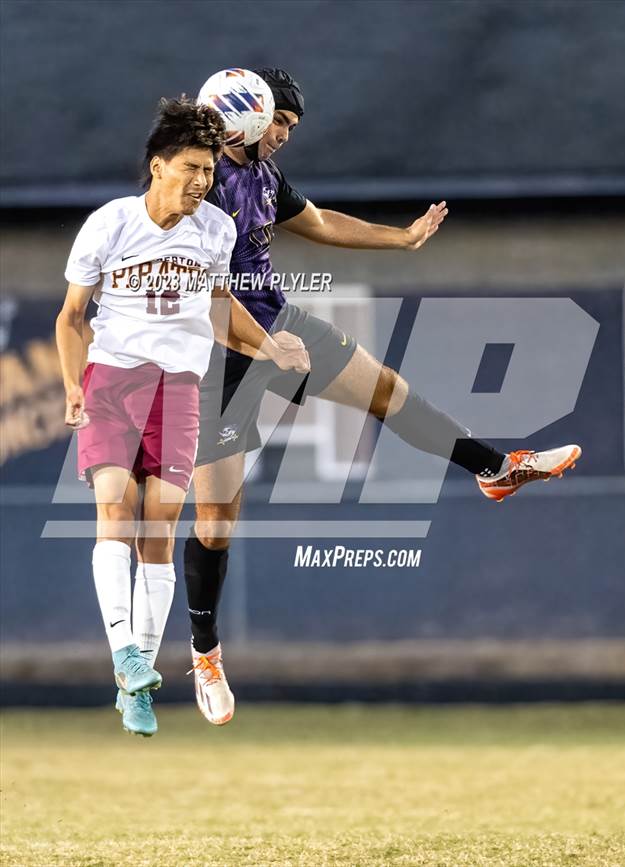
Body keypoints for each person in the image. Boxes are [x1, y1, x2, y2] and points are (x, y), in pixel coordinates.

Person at [184, 69, 581, 725]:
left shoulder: (261, 173)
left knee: (385, 391)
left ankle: (495, 468)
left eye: (287, 127)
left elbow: (317, 221)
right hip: (216, 355)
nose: (282, 134)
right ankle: (204, 653)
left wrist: (400, 237)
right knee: (216, 523)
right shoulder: (194, 184)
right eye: (278, 121)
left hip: (277, 328)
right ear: (248, 119)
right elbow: (204, 303)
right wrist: (265, 349)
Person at [56, 96, 309, 737]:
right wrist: (71, 386)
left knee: (161, 529)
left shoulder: (216, 231)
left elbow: (220, 312)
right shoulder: (111, 224)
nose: (202, 180)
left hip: (180, 387)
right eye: (191, 167)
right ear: (158, 165)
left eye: (207, 170)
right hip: (113, 379)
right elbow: (71, 318)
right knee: (115, 507)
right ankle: (127, 659)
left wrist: (268, 345)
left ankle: (136, 684)